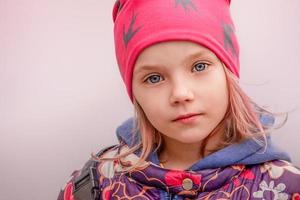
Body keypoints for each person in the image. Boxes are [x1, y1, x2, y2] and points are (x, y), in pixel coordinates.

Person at [57, 0, 300, 199]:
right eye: (153, 78)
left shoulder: (286, 188)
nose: (181, 93)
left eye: (200, 66)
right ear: (133, 91)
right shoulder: (94, 186)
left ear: (228, 71)